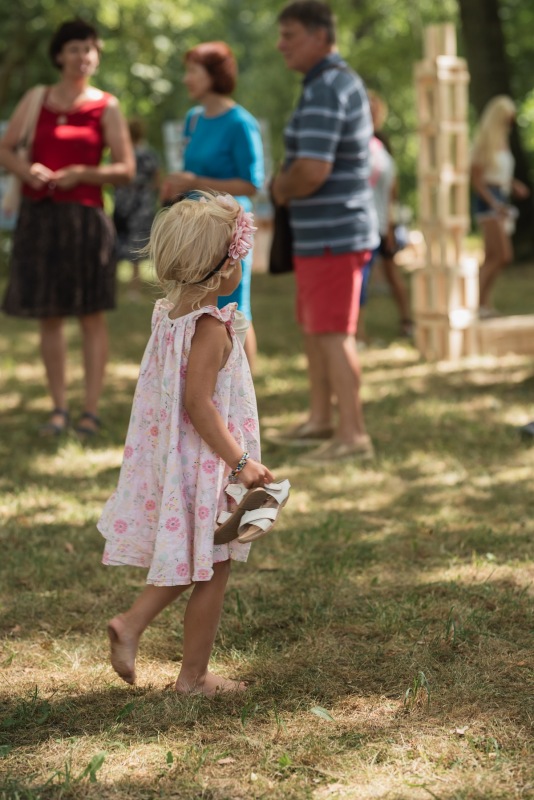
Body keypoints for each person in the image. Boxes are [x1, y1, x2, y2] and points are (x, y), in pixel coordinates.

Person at [98, 192, 290, 695]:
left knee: (194, 558)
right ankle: (193, 676)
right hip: (204, 465)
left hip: (175, 457)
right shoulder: (209, 329)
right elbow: (198, 403)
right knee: (213, 568)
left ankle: (133, 625)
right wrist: (241, 462)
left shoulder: (169, 315)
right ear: (224, 269)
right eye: (239, 258)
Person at [0, 19, 135, 437]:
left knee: (91, 316)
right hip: (39, 219)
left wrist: (82, 173)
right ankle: (58, 409)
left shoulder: (107, 106)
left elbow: (126, 169)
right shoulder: (36, 98)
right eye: (75, 48)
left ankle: (90, 411)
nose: (83, 56)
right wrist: (27, 170)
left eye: (89, 49)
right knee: (50, 316)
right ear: (59, 55)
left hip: (86, 221)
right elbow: (5, 149)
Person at [271, 1, 379, 463]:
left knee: (333, 332)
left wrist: (279, 187)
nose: (281, 45)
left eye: (289, 35)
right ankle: (321, 419)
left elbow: (312, 171)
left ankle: (353, 435)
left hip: (335, 235)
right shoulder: (325, 84)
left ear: (320, 36)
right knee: (317, 329)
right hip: (323, 235)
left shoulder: (328, 87)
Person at [160, 42, 264, 370]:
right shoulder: (193, 119)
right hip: (195, 231)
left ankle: (242, 387)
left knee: (232, 308)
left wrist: (195, 180)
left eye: (193, 71)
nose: (186, 78)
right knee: (193, 304)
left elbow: (252, 184)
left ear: (214, 74)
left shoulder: (240, 123)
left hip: (226, 230)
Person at [359, 91, 412, 339]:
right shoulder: (357, 143)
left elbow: (392, 189)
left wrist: (391, 224)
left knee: (393, 273)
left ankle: (407, 321)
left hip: (383, 223)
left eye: (375, 110)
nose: (372, 115)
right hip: (364, 225)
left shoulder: (381, 145)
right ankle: (358, 334)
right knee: (361, 280)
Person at [470, 95, 530, 315]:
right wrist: (494, 204)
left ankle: (483, 304)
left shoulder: (503, 141)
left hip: (501, 198)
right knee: (503, 255)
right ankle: (478, 302)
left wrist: (513, 185)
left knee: (491, 257)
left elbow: (499, 174)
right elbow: (477, 180)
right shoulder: (484, 142)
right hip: (489, 203)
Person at [113, 117, 160, 296]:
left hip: (123, 203)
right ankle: (134, 289)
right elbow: (157, 180)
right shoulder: (149, 154)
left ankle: (113, 286)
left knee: (117, 242)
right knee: (137, 245)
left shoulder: (120, 154)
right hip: (143, 205)